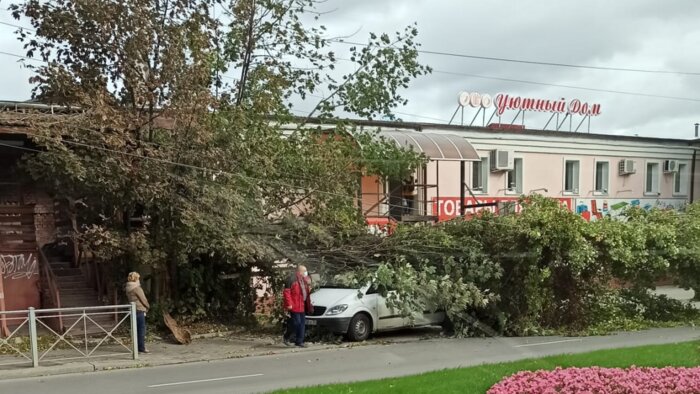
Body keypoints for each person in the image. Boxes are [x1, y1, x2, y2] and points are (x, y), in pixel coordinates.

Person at [282, 265, 312, 348]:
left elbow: (306, 292)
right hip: (294, 305)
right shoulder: (292, 279)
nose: (306, 272)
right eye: (305, 271)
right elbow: (287, 293)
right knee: (296, 323)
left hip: (301, 305)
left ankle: (299, 341)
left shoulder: (303, 280)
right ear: (300, 271)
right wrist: (289, 304)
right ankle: (287, 337)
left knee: (302, 324)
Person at [125, 272, 150, 354]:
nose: (139, 279)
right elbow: (143, 299)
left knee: (135, 330)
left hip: (133, 310)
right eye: (138, 278)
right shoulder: (136, 288)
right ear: (136, 279)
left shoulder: (128, 287)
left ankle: (136, 348)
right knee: (141, 330)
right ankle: (141, 348)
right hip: (139, 309)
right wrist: (147, 306)